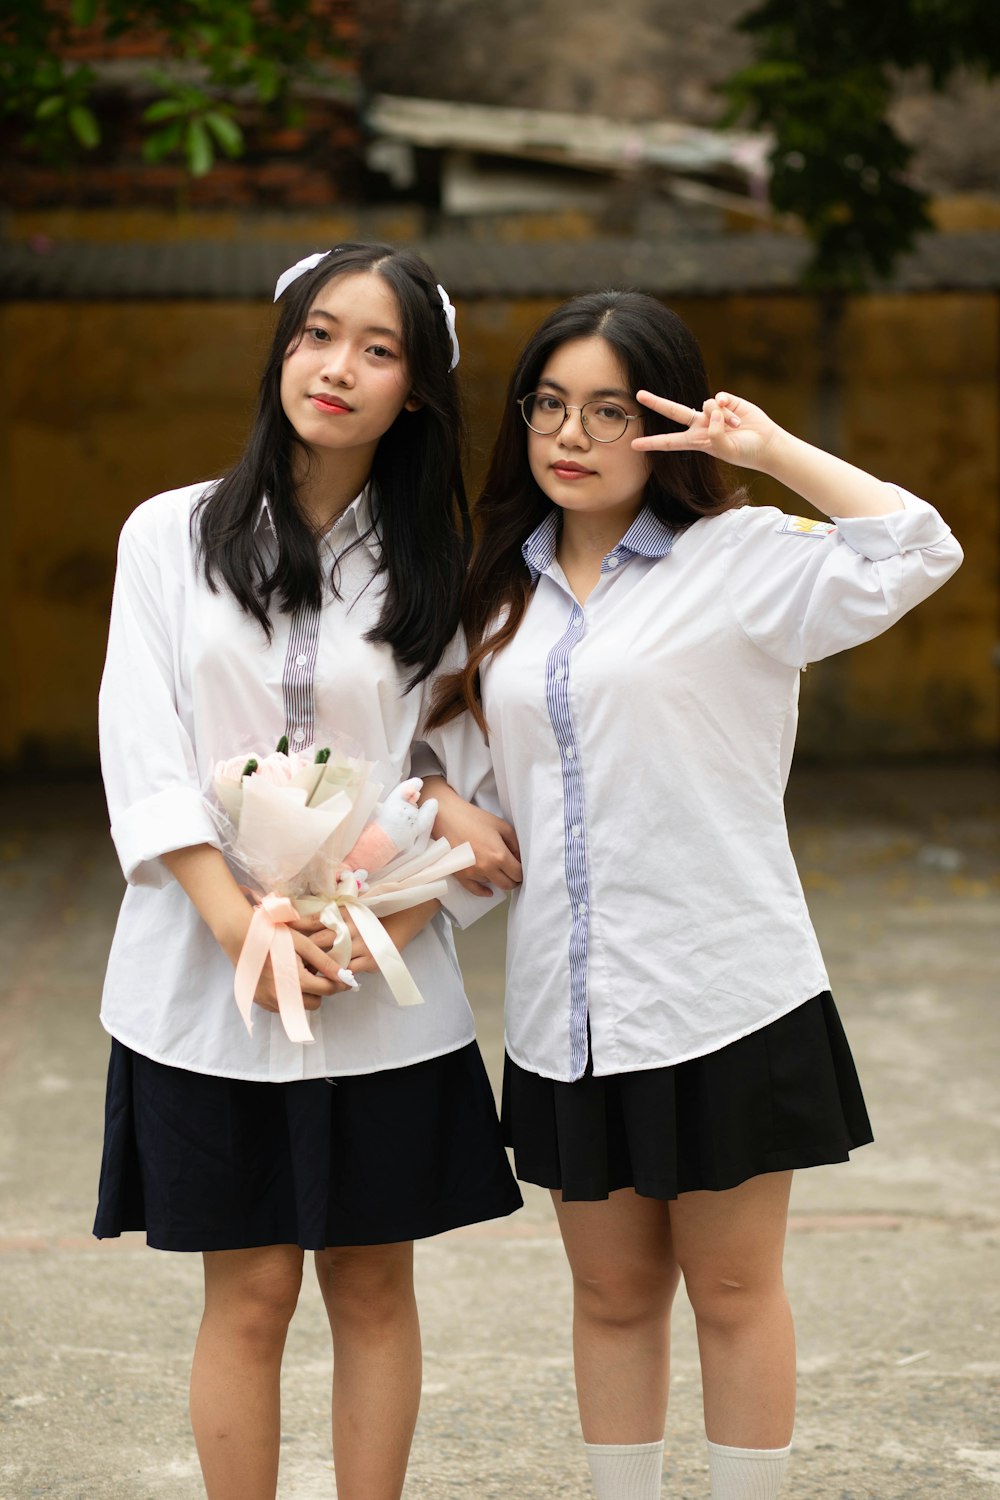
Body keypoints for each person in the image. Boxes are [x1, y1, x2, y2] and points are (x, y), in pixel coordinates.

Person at [423, 290, 963, 1500]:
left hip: (721, 989)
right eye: (549, 406)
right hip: (569, 1008)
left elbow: (919, 548)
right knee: (610, 1298)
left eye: (611, 412)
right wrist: (440, 804)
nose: (572, 435)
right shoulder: (494, 597)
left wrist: (764, 451)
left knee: (729, 1292)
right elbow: (434, 759)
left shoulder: (745, 564)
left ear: (664, 424)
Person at [93, 241, 522, 1500]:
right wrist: (241, 927)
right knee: (252, 1288)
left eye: (378, 349)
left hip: (372, 973)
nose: (336, 368)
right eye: (316, 334)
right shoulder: (167, 535)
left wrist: (366, 898)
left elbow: (458, 782)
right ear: (281, 347)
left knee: (374, 1283)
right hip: (205, 974)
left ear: (418, 390)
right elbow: (144, 747)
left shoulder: (444, 569)